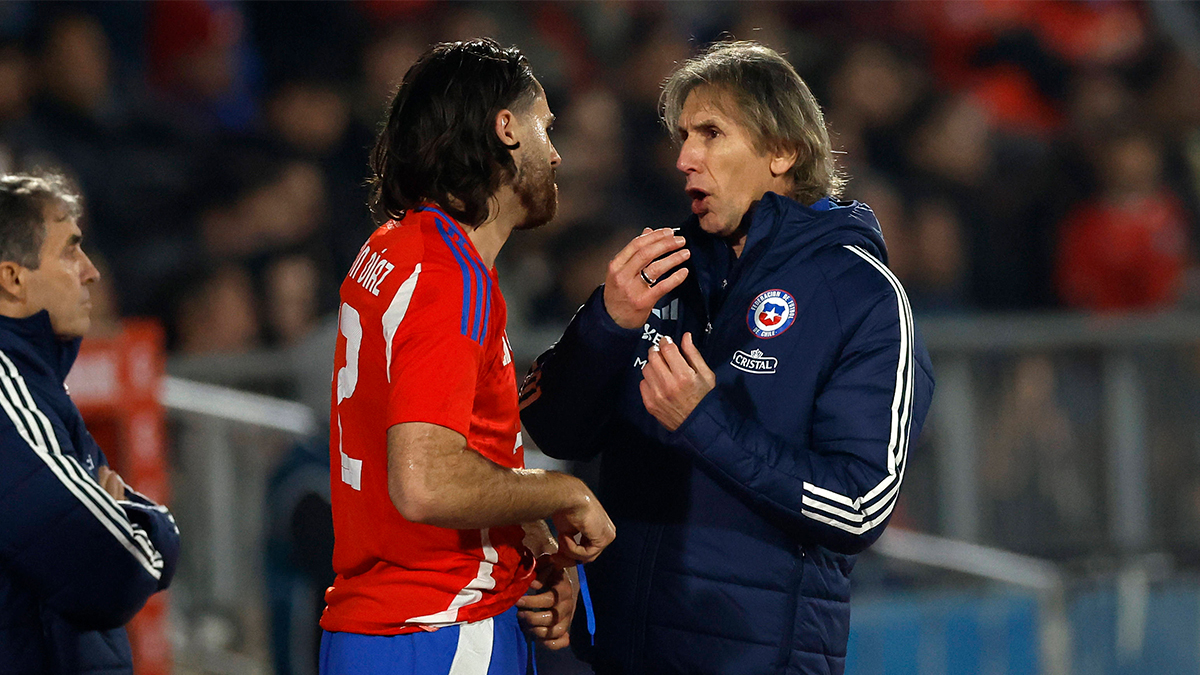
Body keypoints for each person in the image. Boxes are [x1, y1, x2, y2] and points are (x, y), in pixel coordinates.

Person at [520, 41, 936, 675]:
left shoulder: (861, 294)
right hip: (619, 657)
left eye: (711, 134)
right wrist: (606, 324)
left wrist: (704, 421)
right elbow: (553, 428)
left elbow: (861, 505)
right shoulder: (662, 272)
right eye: (684, 135)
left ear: (782, 151)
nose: (685, 158)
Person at [319, 39, 615, 675]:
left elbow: (449, 450)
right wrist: (559, 491)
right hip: (440, 629)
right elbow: (424, 482)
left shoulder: (389, 251)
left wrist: (527, 543)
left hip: (382, 629)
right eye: (545, 125)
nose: (556, 152)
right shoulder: (450, 275)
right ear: (505, 129)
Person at [0, 172, 180, 673]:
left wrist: (117, 516)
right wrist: (153, 526)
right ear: (12, 279)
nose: (91, 272)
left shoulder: (40, 389)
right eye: (69, 251)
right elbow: (113, 568)